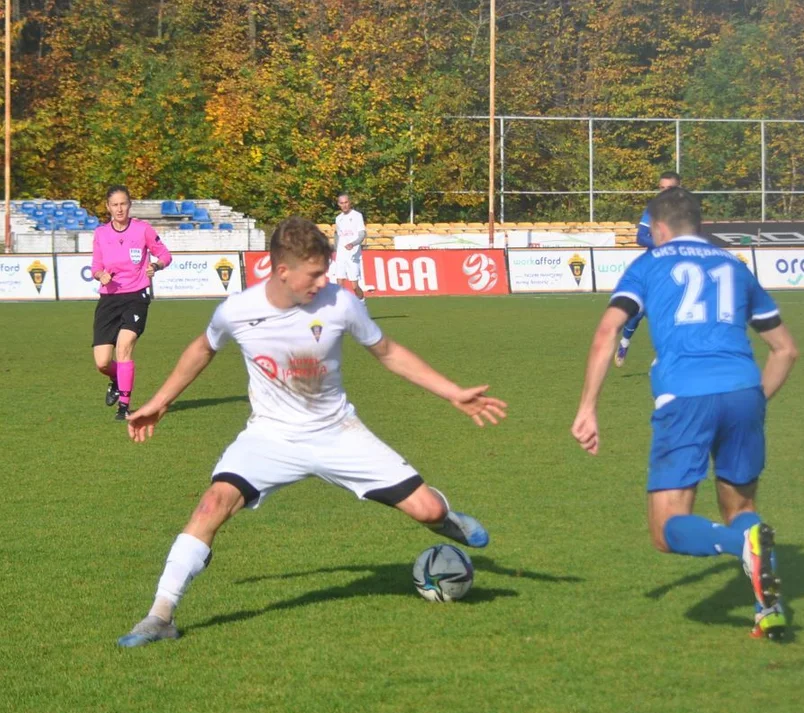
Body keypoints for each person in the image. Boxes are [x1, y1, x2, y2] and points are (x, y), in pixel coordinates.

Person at [117, 217, 507, 648]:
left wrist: (452, 392)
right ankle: (161, 615)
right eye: (315, 273)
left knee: (428, 511)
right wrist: (160, 401)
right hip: (270, 437)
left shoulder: (341, 304)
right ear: (282, 271)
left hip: (339, 432)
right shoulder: (238, 310)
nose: (325, 281)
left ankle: (445, 519)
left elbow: (388, 352)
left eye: (326, 271)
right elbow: (202, 348)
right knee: (212, 504)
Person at [572, 188, 799, 641]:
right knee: (742, 506)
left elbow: (607, 331)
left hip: (685, 396)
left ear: (657, 228)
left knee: (666, 528)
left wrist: (588, 407)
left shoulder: (649, 264)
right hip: (743, 390)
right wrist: (755, 401)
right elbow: (785, 350)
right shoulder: (736, 268)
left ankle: (743, 548)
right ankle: (766, 605)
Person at [90, 185, 173, 421]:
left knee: (124, 346)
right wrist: (100, 275)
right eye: (114, 204)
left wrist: (155, 266)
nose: (119, 209)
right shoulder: (100, 234)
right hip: (109, 298)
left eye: (123, 203)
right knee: (102, 362)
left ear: (129, 205)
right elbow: (96, 266)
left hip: (136, 296)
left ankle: (124, 406)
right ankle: (116, 379)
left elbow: (165, 254)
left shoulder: (143, 230)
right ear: (108, 207)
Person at [614, 171, 681, 367]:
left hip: (676, 269)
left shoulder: (687, 213)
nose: (664, 192)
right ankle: (625, 342)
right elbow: (640, 237)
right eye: (661, 188)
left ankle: (660, 359)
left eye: (669, 188)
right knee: (638, 312)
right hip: (654, 266)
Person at [332, 192, 368, 298]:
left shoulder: (357, 216)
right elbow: (337, 234)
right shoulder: (338, 218)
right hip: (341, 254)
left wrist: (353, 243)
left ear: (350, 202)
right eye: (342, 203)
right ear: (339, 204)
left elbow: (362, 234)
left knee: (354, 286)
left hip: (353, 255)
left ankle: (362, 305)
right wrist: (335, 248)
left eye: (346, 202)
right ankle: (343, 310)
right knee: (339, 284)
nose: (344, 205)